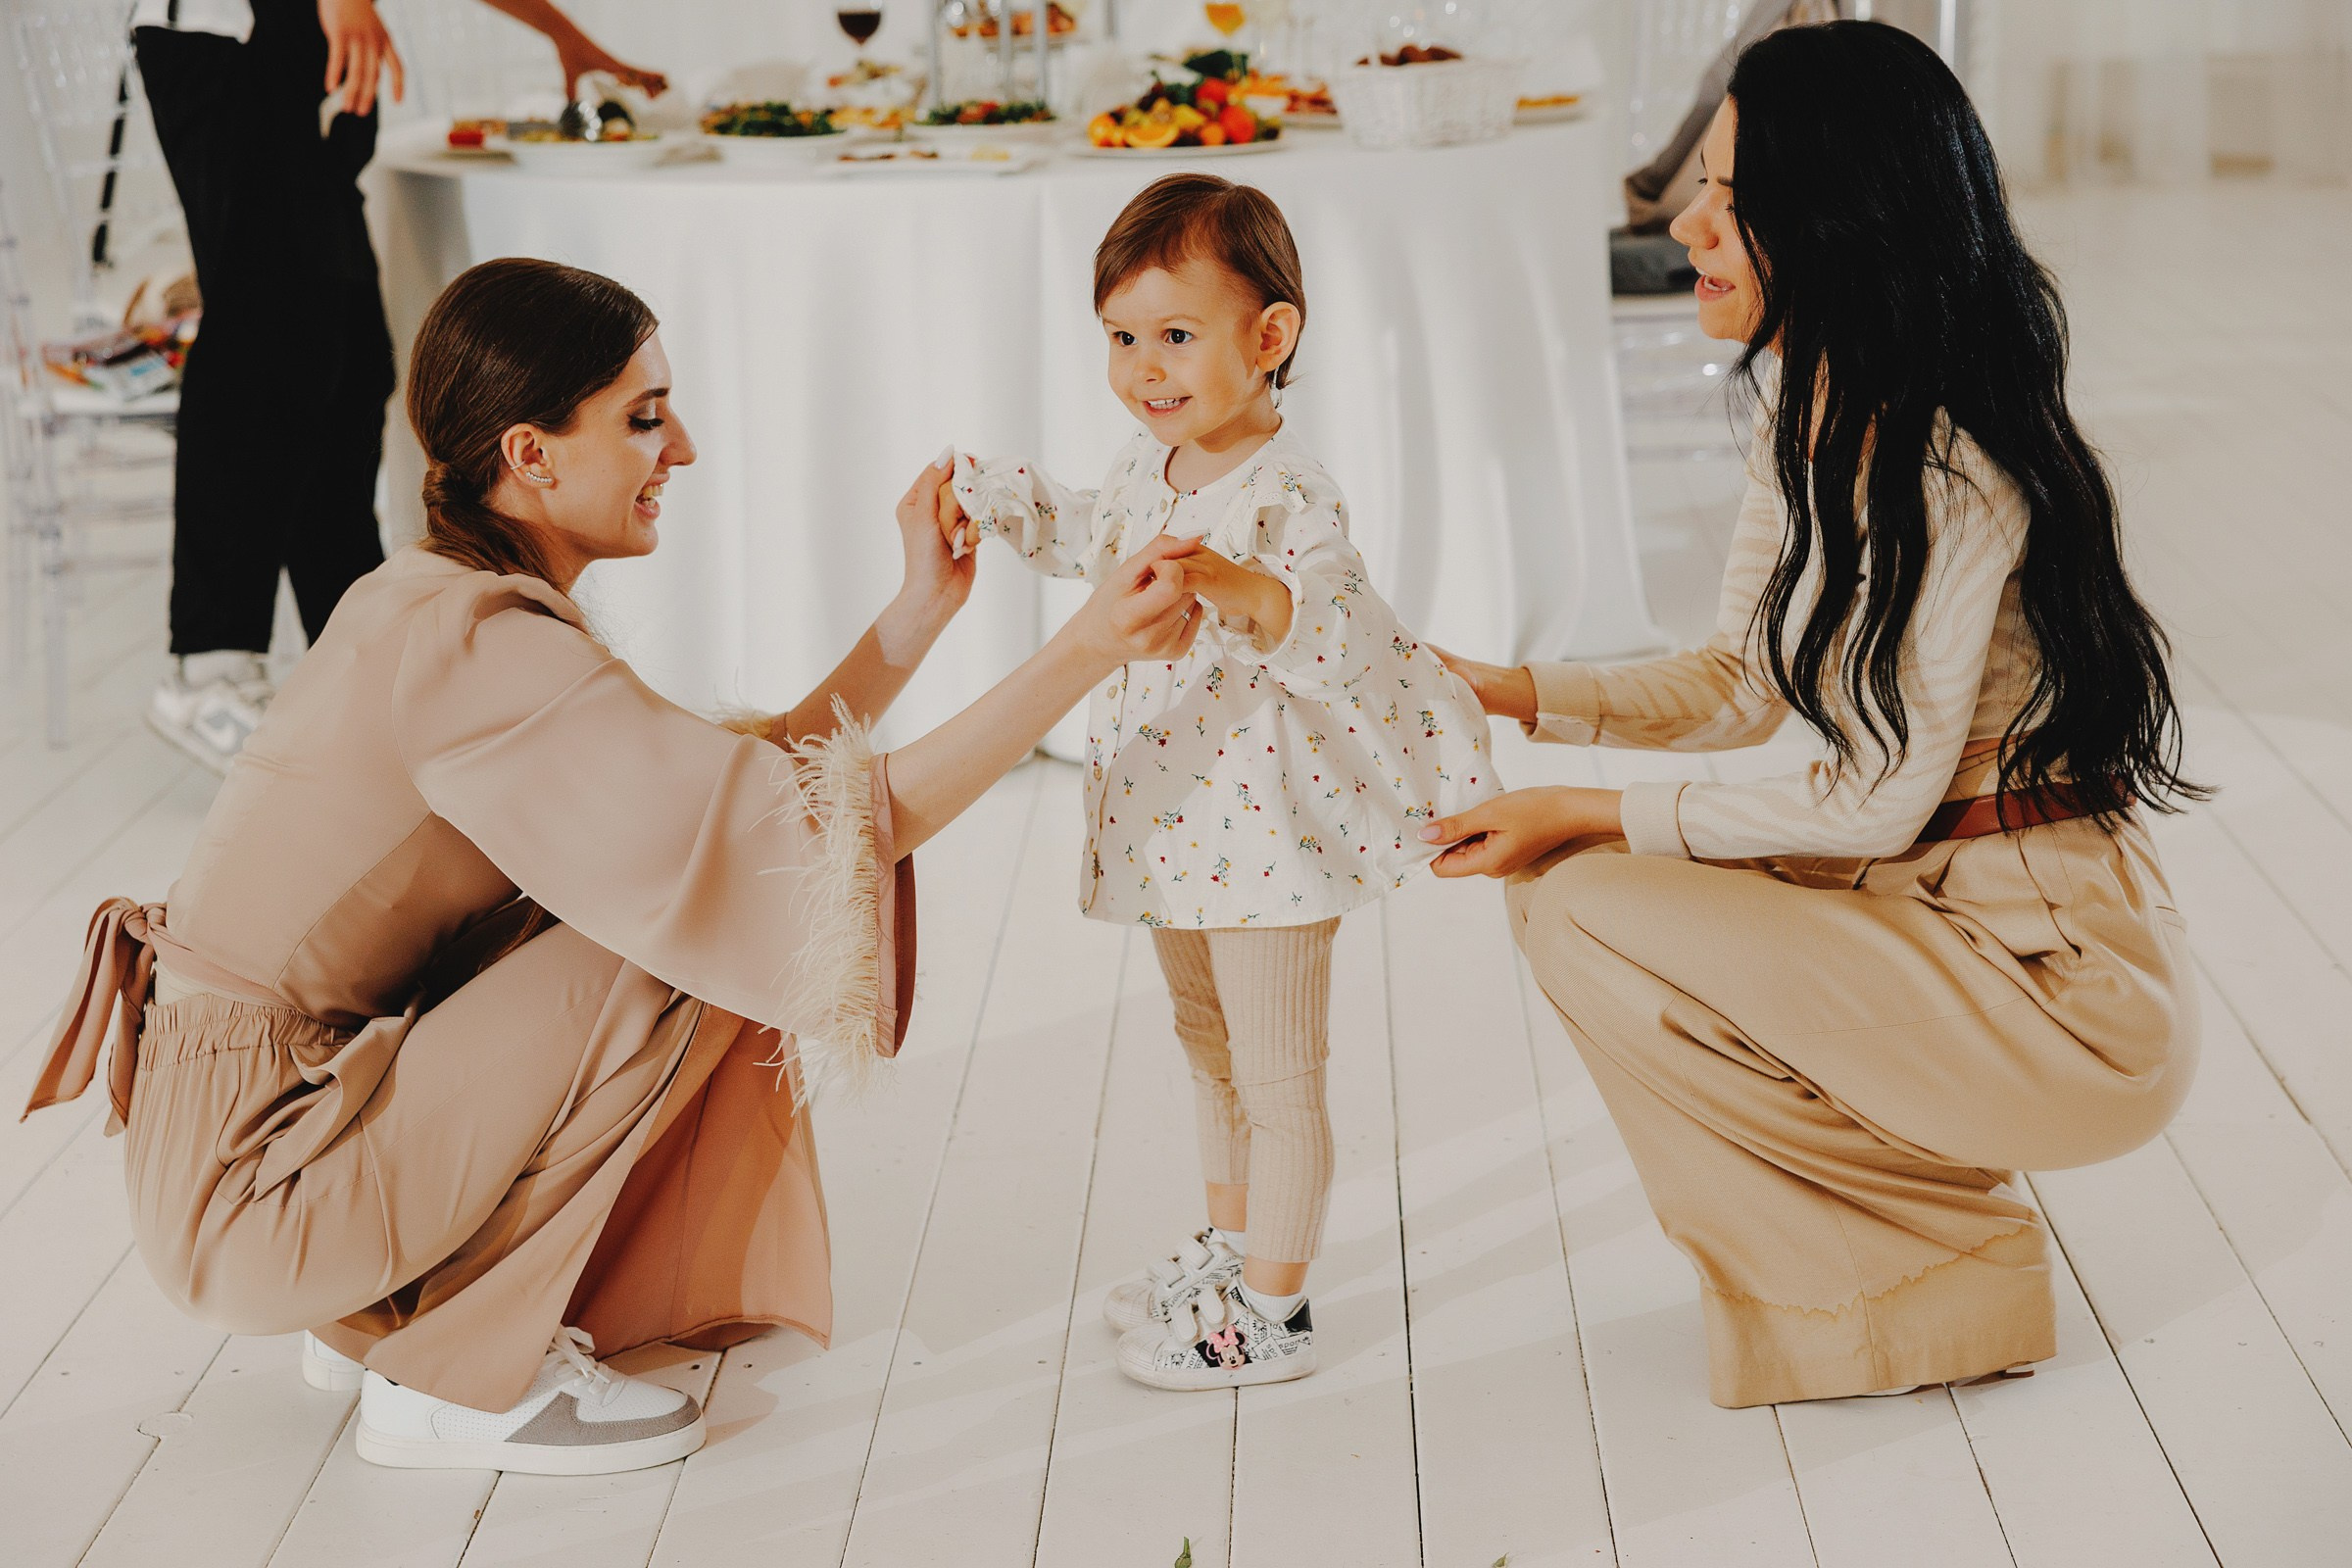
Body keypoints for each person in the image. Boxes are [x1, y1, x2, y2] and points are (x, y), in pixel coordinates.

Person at [25, 258, 1204, 1474]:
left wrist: (912, 618)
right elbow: (774, 845)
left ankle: (390, 1307)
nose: (680, 447)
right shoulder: (477, 644)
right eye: (643, 417)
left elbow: (717, 799)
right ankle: (452, 1378)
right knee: (680, 943)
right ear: (531, 455)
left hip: (256, 1135)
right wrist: (1090, 647)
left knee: (683, 878)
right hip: (257, 1184)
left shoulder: (448, 598)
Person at [1425, 21, 2206, 1408]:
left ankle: (1907, 1271)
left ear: (1837, 211)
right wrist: (1515, 690)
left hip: (2060, 994)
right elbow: (1739, 680)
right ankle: (1912, 1272)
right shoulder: (1828, 405)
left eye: (1729, 194)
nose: (1684, 220)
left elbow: (1874, 798)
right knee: (1570, 895)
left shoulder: (1949, 459)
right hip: (1943, 921)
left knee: (1585, 891)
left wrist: (1584, 807)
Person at [936, 173, 1499, 1391]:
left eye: (1175, 336)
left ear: (1271, 337)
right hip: (1174, 829)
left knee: (1281, 1076)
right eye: (1122, 339)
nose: (1144, 368)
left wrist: (1241, 592)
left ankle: (1276, 1309)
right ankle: (1238, 1249)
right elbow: (1089, 530)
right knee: (1208, 1048)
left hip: (1270, 843)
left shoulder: (1291, 493)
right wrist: (1000, 501)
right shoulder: (1154, 469)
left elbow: (1338, 627)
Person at [133, 0, 664, 771]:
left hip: (299, 39)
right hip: (230, 37)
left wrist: (565, 36)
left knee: (348, 363)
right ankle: (207, 666)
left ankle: (355, 667)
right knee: (267, 338)